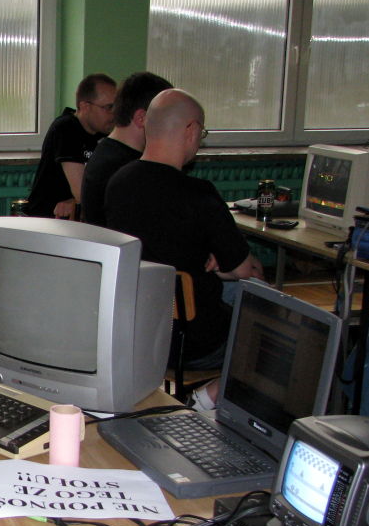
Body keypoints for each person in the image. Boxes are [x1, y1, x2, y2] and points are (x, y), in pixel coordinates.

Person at [104, 88, 264, 372]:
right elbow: (245, 270)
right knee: (267, 315)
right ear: (191, 130)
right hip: (194, 343)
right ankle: (215, 391)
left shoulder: (118, 182)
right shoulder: (198, 194)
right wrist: (221, 266)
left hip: (138, 337)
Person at [80, 71, 173, 227]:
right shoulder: (125, 168)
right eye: (166, 118)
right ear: (141, 118)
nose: (170, 127)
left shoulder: (108, 150)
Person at [24, 73, 116, 220]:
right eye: (108, 107)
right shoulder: (66, 128)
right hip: (48, 219)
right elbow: (82, 193)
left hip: (73, 218)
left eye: (116, 107)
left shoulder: (103, 134)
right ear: (85, 106)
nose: (113, 114)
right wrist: (77, 200)